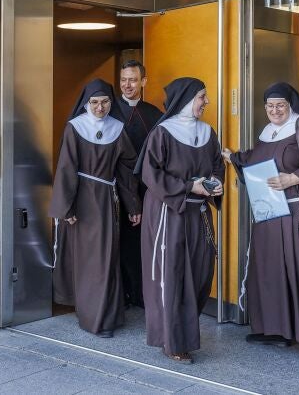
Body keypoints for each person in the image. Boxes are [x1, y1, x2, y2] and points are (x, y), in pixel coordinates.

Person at [223, 82, 299, 374]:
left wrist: (294, 178)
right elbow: (256, 162)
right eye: (269, 106)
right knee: (273, 272)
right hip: (272, 214)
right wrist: (234, 157)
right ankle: (281, 329)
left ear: (291, 105)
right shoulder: (268, 133)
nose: (274, 111)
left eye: (280, 106)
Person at [134, 77, 224, 363]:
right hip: (168, 214)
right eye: (201, 97)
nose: (206, 102)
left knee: (199, 275)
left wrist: (215, 183)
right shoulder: (162, 133)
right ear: (186, 100)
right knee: (171, 277)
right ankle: (172, 341)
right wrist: (189, 187)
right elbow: (151, 174)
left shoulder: (208, 132)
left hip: (198, 215)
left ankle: (181, 333)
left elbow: (216, 166)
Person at [49, 78, 141, 338]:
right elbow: (66, 168)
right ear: (86, 104)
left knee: (107, 258)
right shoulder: (75, 128)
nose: (100, 108)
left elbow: (126, 170)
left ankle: (106, 314)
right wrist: (66, 208)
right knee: (90, 260)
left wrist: (133, 204)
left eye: (104, 102)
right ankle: (94, 318)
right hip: (82, 202)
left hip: (107, 199)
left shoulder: (117, 128)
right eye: (94, 103)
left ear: (111, 103)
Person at [116, 60, 163, 309]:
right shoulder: (109, 109)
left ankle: (140, 293)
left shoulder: (153, 114)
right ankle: (121, 294)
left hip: (145, 190)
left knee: (140, 242)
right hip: (114, 189)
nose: (127, 85)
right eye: (123, 79)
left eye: (133, 79)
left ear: (143, 81)